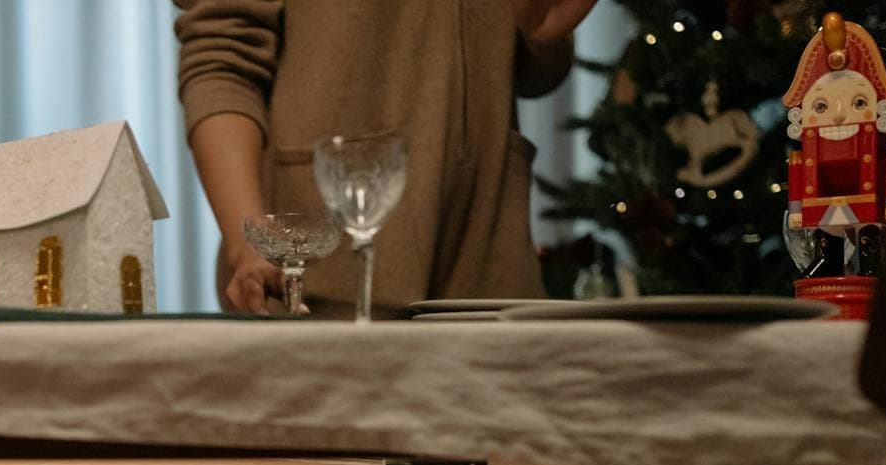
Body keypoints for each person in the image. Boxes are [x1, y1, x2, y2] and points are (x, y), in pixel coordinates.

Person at [175, 0, 600, 316]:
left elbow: (530, 62)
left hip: (488, 271)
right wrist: (249, 244)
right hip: (322, 283)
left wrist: (541, 30)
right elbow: (222, 56)